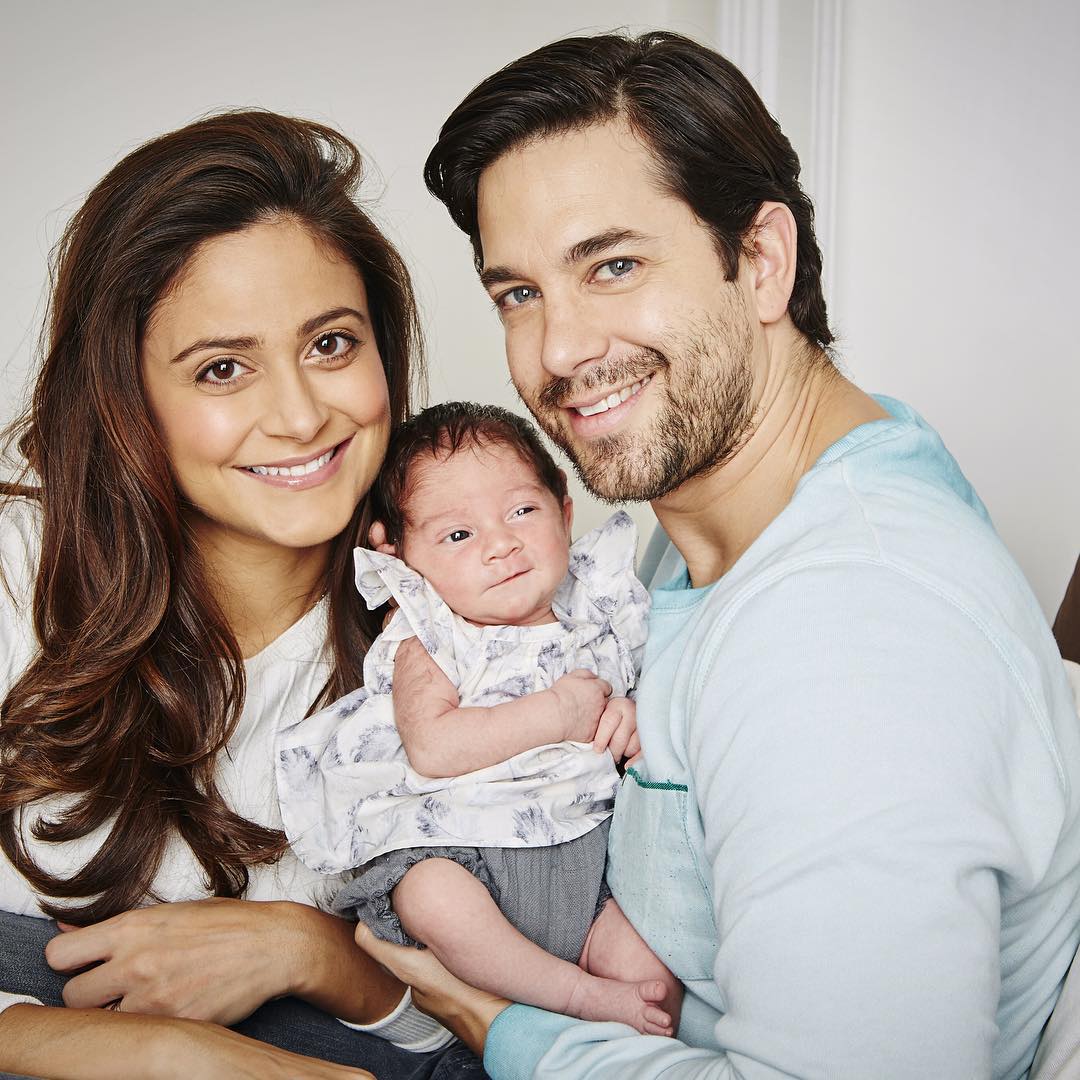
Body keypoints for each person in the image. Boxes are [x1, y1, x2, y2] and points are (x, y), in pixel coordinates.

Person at [353, 29, 1080, 1080]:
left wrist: (499, 1026)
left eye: (613, 265)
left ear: (761, 261)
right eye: (519, 293)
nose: (557, 350)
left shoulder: (852, 630)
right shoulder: (721, 516)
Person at [0, 110, 482, 1079]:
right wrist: (170, 1056)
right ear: (125, 395)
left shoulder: (462, 637)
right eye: (223, 367)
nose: (301, 415)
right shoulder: (19, 568)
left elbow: (495, 1030)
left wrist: (308, 951)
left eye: (332, 345)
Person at [276, 401, 681, 1039]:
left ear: (565, 512)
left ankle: (624, 1042)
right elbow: (433, 746)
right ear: (404, 556)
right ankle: (573, 995)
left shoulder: (597, 609)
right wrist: (557, 712)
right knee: (430, 896)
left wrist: (627, 715)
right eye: (458, 535)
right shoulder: (431, 638)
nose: (502, 544)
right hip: (468, 858)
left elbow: (633, 697)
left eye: (523, 511)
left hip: (592, 864)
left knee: (651, 970)